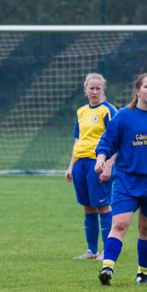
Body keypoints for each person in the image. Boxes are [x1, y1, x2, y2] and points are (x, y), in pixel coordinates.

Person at [92, 72, 147, 286]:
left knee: (146, 227)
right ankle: (107, 268)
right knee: (120, 223)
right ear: (138, 91)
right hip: (127, 179)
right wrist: (101, 159)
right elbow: (107, 142)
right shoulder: (124, 116)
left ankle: (143, 274)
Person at [65, 72, 117, 260]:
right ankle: (91, 251)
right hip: (81, 164)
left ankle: (108, 251)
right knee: (87, 207)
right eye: (91, 88)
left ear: (103, 90)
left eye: (98, 88)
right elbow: (78, 140)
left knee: (103, 206)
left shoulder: (108, 110)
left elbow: (115, 140)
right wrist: (71, 166)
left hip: (99, 164)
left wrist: (109, 165)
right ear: (85, 89)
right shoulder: (81, 112)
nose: (94, 91)